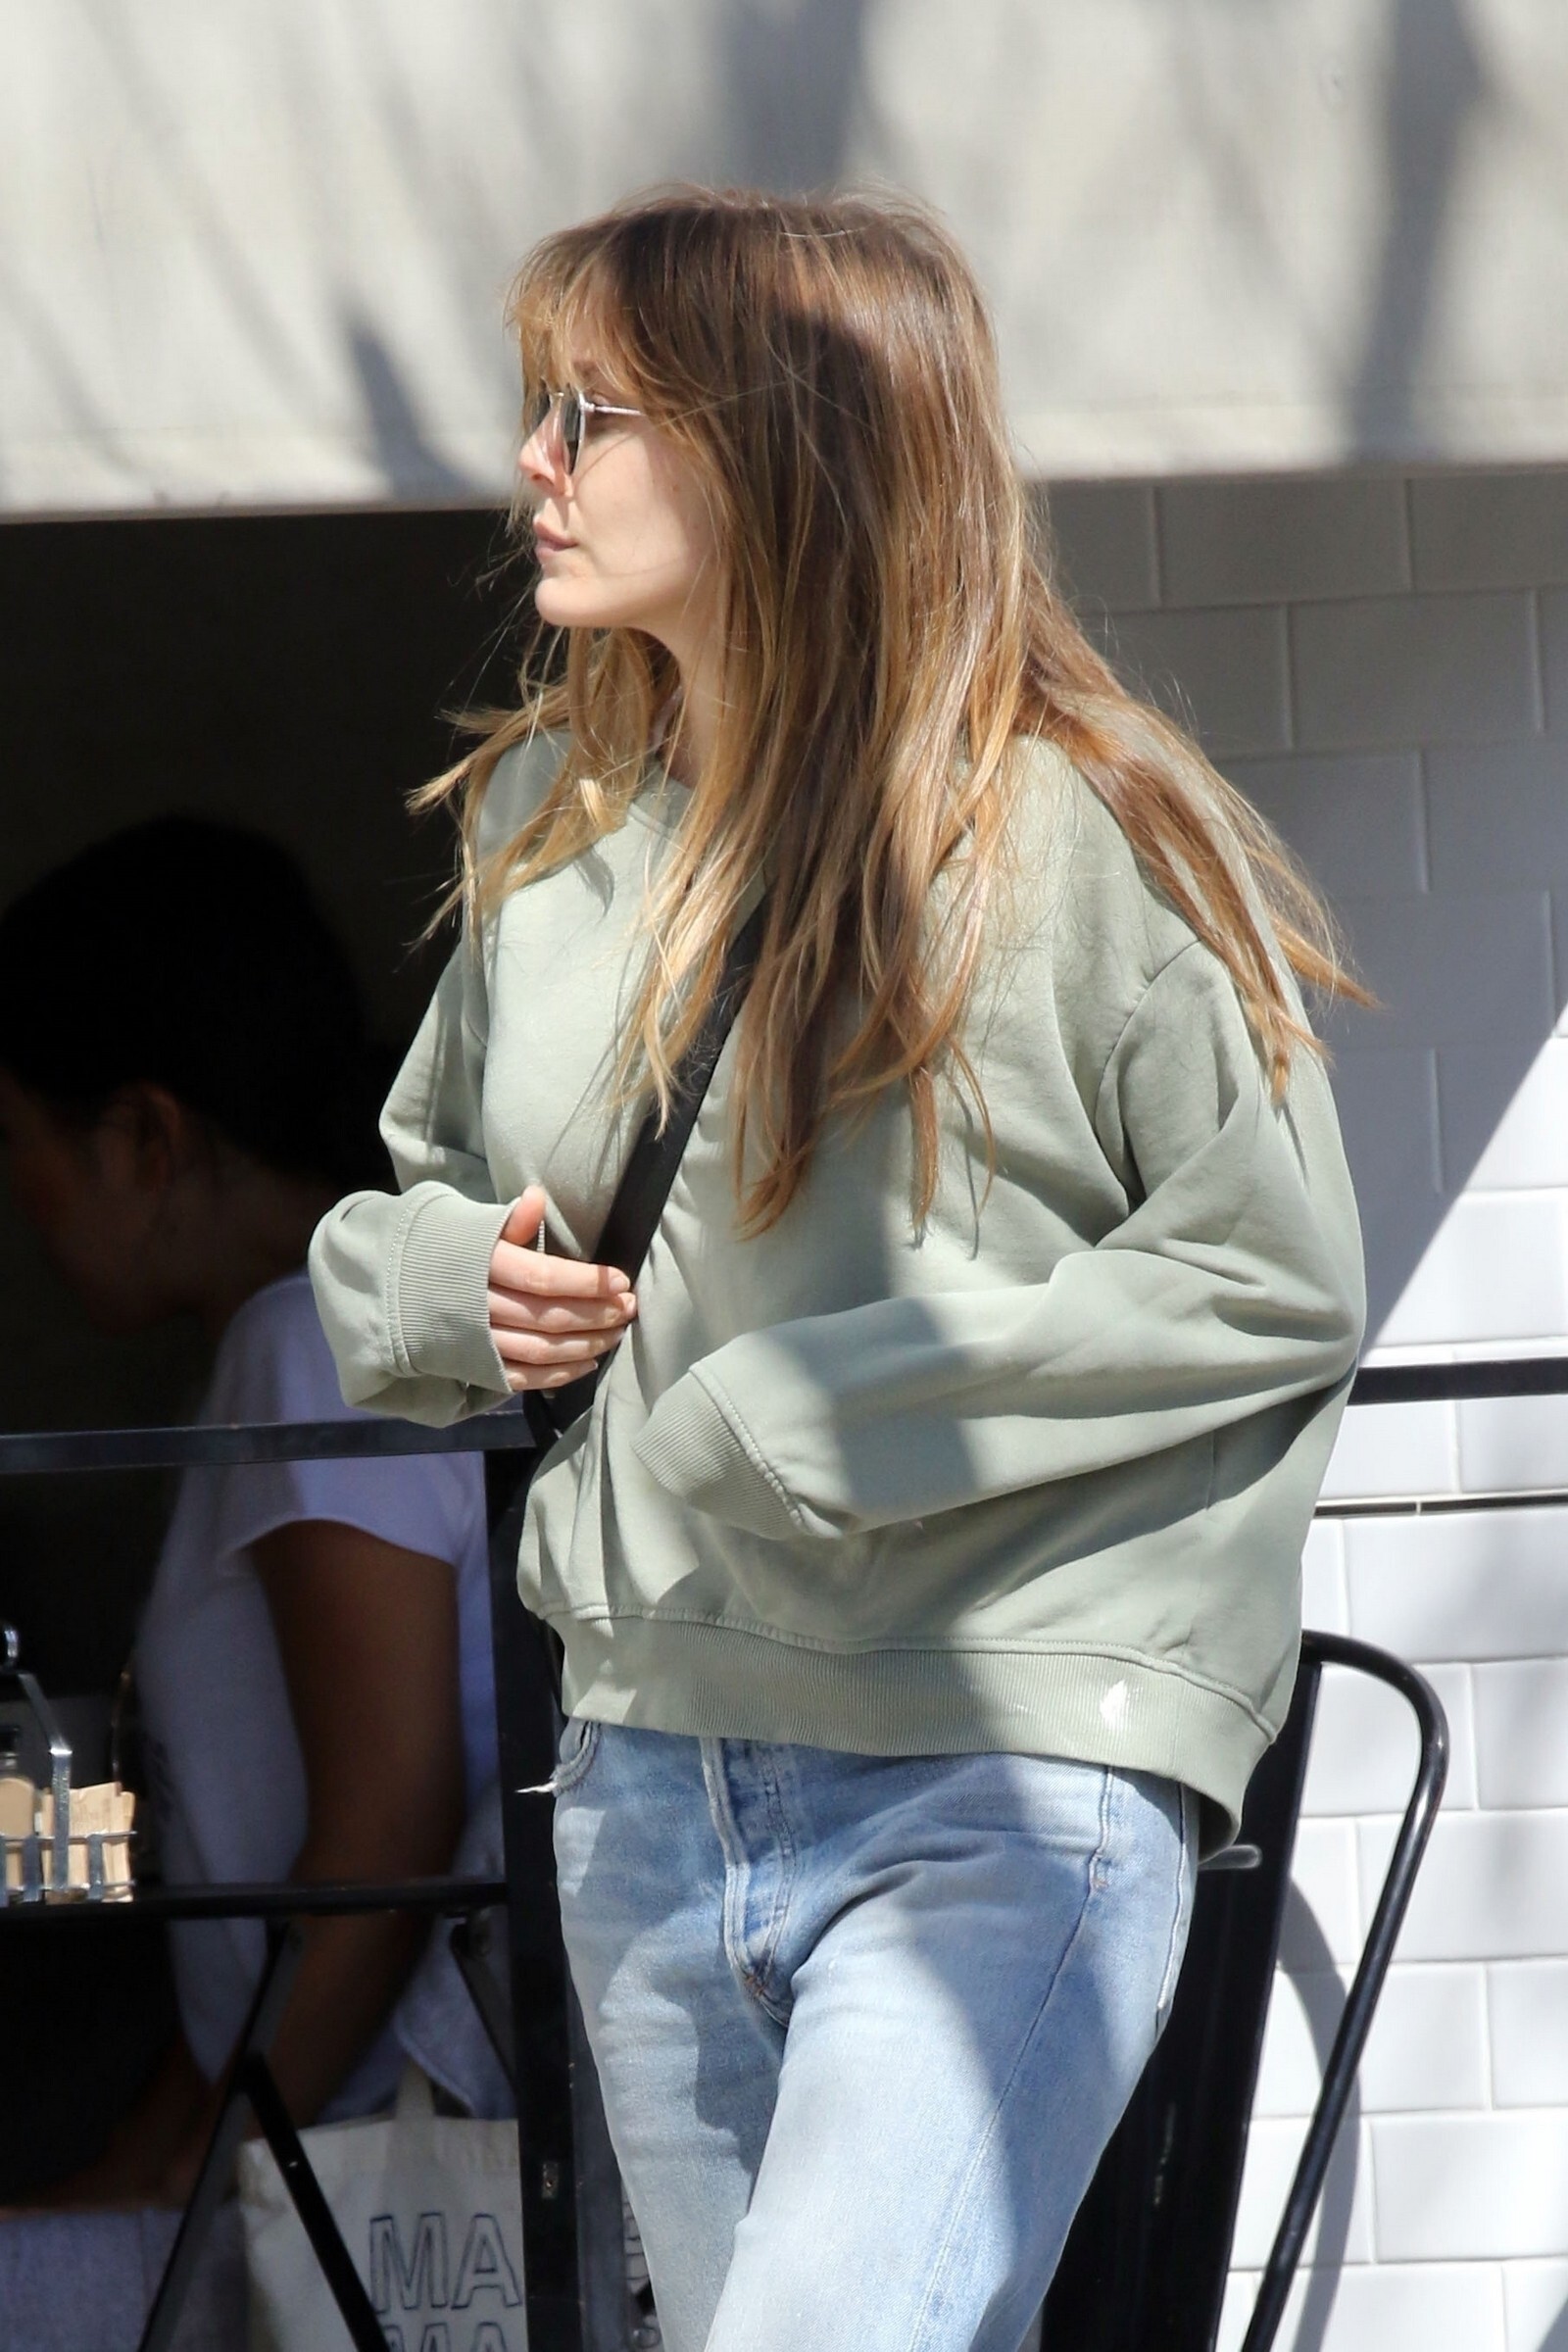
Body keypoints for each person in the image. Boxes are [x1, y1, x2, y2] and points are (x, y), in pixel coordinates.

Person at [310, 187, 1366, 2352]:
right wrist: (449, 1292)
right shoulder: (549, 821)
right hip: (643, 1781)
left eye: (589, 415)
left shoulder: (1076, 829)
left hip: (1000, 1771)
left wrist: (821, 1412)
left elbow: (1272, 1272)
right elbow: (407, 1196)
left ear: (777, 443)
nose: (529, 462)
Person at [0, 817, 499, 2230]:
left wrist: (214, 2167)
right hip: (325, 2137)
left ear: (143, 1137)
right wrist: (153, 2167)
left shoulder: (309, 1344)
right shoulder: (303, 1341)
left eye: (15, 1140)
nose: (18, 1200)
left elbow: (383, 1833)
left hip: (381, 2191)